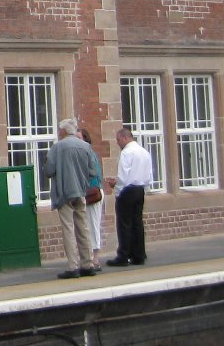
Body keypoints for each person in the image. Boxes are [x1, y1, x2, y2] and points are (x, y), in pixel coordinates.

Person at [42, 118, 100, 279]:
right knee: (83, 227)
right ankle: (87, 264)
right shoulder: (86, 147)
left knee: (68, 228)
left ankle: (72, 266)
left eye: (60, 130)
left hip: (64, 193)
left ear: (64, 131)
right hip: (81, 192)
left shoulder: (57, 147)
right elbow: (93, 172)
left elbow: (49, 170)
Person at [104, 126, 153, 266]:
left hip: (127, 190)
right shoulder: (144, 152)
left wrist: (117, 188)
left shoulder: (127, 152)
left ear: (126, 138)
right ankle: (139, 255)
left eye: (118, 140)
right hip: (140, 189)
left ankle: (123, 255)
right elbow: (149, 175)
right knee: (137, 222)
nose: (118, 143)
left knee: (124, 223)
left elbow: (124, 176)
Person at [79, 127, 104, 270]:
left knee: (93, 224)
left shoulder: (89, 153)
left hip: (93, 192)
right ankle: (88, 256)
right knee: (86, 225)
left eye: (79, 138)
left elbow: (94, 174)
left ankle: (95, 258)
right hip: (86, 192)